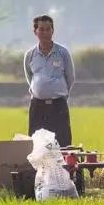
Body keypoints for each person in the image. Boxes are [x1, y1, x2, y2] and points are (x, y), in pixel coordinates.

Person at [24, 14, 76, 146]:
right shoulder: (30, 55)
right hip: (38, 106)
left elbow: (70, 77)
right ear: (35, 31)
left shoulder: (62, 53)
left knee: (63, 143)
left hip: (58, 105)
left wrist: (59, 91)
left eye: (48, 29)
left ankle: (64, 167)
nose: (45, 33)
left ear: (52, 31)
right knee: (37, 146)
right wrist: (40, 90)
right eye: (41, 29)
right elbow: (30, 77)